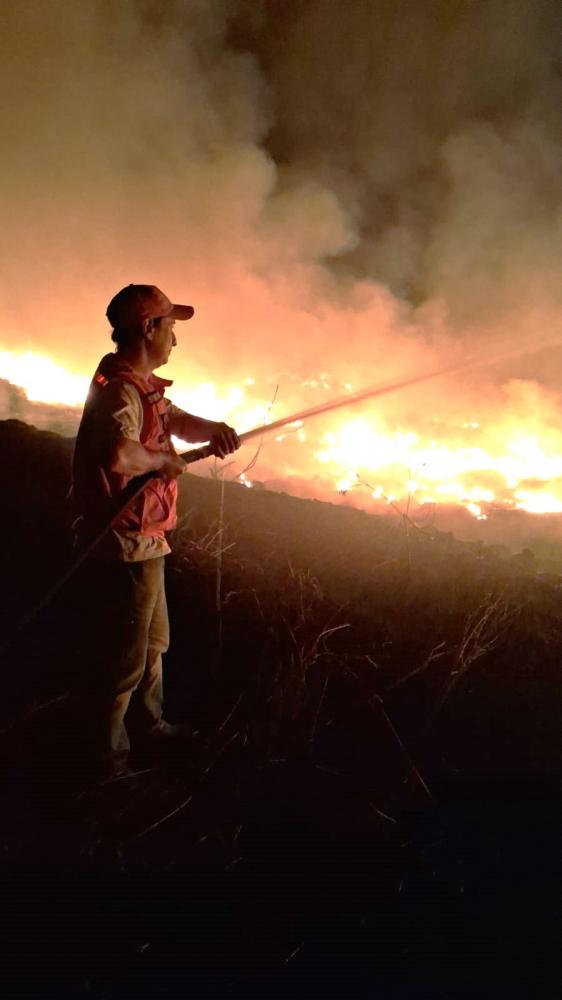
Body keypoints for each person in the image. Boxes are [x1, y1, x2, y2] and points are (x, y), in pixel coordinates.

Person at [71, 283, 240, 773]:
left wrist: (212, 431)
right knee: (123, 658)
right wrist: (161, 460)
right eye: (170, 327)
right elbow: (120, 453)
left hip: (147, 537)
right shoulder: (121, 388)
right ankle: (109, 760)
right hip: (122, 540)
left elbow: (171, 419)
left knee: (153, 643)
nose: (175, 340)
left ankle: (150, 726)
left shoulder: (138, 382)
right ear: (148, 328)